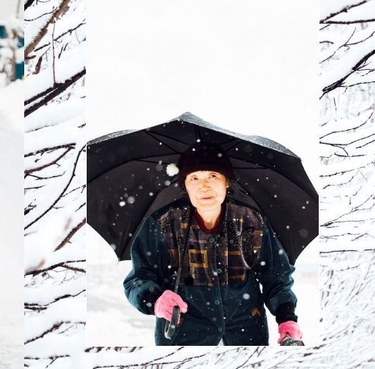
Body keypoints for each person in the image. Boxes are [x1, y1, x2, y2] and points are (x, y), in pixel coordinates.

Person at [123, 142, 303, 346]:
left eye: (213, 176)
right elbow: (138, 279)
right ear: (185, 185)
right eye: (194, 178)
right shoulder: (162, 223)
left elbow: (276, 276)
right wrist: (155, 300)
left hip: (247, 330)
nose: (204, 185)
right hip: (183, 332)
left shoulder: (251, 221)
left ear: (227, 182)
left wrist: (287, 317)